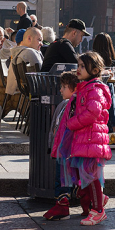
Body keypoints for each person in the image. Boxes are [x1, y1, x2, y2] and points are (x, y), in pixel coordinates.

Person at [50, 52, 113, 226]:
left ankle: (98, 210)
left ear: (94, 69)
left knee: (91, 176)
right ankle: (96, 204)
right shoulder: (85, 87)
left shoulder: (95, 89)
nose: (78, 69)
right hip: (85, 138)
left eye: (82, 66)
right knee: (85, 176)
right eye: (78, 65)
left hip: (91, 138)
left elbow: (92, 112)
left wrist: (73, 123)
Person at [44, 71, 80, 220]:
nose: (60, 90)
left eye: (64, 87)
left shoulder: (70, 105)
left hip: (66, 149)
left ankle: (63, 206)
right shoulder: (66, 104)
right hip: (63, 148)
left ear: (74, 89)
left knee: (63, 178)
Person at [92, 33, 115, 132]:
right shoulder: (111, 61)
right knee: (110, 88)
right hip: (103, 94)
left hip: (93, 96)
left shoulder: (91, 60)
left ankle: (114, 126)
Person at [6, 27, 43, 96]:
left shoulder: (17, 54)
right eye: (39, 40)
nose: (42, 44)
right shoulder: (30, 52)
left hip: (20, 94)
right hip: (36, 93)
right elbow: (41, 76)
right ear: (29, 38)